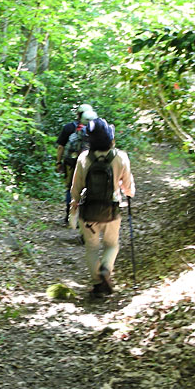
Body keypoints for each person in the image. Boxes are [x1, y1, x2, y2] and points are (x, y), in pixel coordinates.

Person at [69, 118, 135, 297]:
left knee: (91, 248)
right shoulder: (121, 157)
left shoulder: (84, 158)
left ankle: (98, 283)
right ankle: (106, 268)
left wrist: (73, 205)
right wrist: (128, 193)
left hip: (88, 211)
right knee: (112, 245)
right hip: (111, 210)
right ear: (110, 138)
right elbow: (129, 189)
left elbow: (76, 188)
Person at [55, 104, 97, 225]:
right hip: (91, 164)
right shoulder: (98, 130)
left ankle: (69, 215)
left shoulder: (69, 128)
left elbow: (60, 147)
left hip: (71, 163)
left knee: (70, 187)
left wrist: (58, 162)